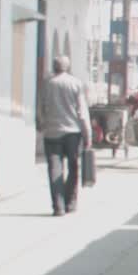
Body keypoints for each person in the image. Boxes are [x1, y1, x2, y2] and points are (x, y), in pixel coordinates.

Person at [37, 56, 91, 216]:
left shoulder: (47, 84)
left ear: (54, 67)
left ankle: (58, 206)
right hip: (72, 133)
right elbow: (82, 111)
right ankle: (70, 202)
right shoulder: (75, 84)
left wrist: (42, 124)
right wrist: (87, 134)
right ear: (67, 67)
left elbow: (40, 107)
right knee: (73, 167)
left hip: (52, 133)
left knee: (54, 169)